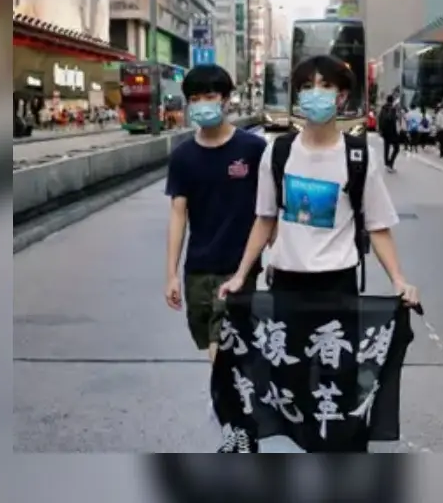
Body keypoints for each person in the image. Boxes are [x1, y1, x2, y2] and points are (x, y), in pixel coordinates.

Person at [219, 52, 419, 346]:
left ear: (341, 96)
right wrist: (240, 275)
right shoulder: (278, 153)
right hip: (286, 281)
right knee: (288, 377)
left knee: (336, 378)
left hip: (338, 282)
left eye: (325, 86)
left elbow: (378, 227)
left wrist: (398, 280)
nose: (316, 94)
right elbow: (265, 219)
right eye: (307, 87)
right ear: (298, 96)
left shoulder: (360, 157)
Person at [163, 63, 267, 450]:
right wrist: (171, 274)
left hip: (241, 269)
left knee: (224, 350)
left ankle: (239, 429)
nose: (203, 105)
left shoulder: (253, 150)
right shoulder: (184, 157)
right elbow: (178, 215)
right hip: (198, 270)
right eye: (195, 99)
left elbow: (268, 210)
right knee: (214, 348)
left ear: (226, 100)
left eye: (211, 97)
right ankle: (234, 411)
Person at [378, 94, 401, 172]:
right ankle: (390, 164)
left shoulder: (383, 108)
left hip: (385, 132)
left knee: (386, 148)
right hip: (392, 132)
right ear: (392, 101)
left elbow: (380, 119)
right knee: (397, 148)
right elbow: (393, 120)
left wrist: (380, 130)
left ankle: (387, 164)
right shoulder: (393, 109)